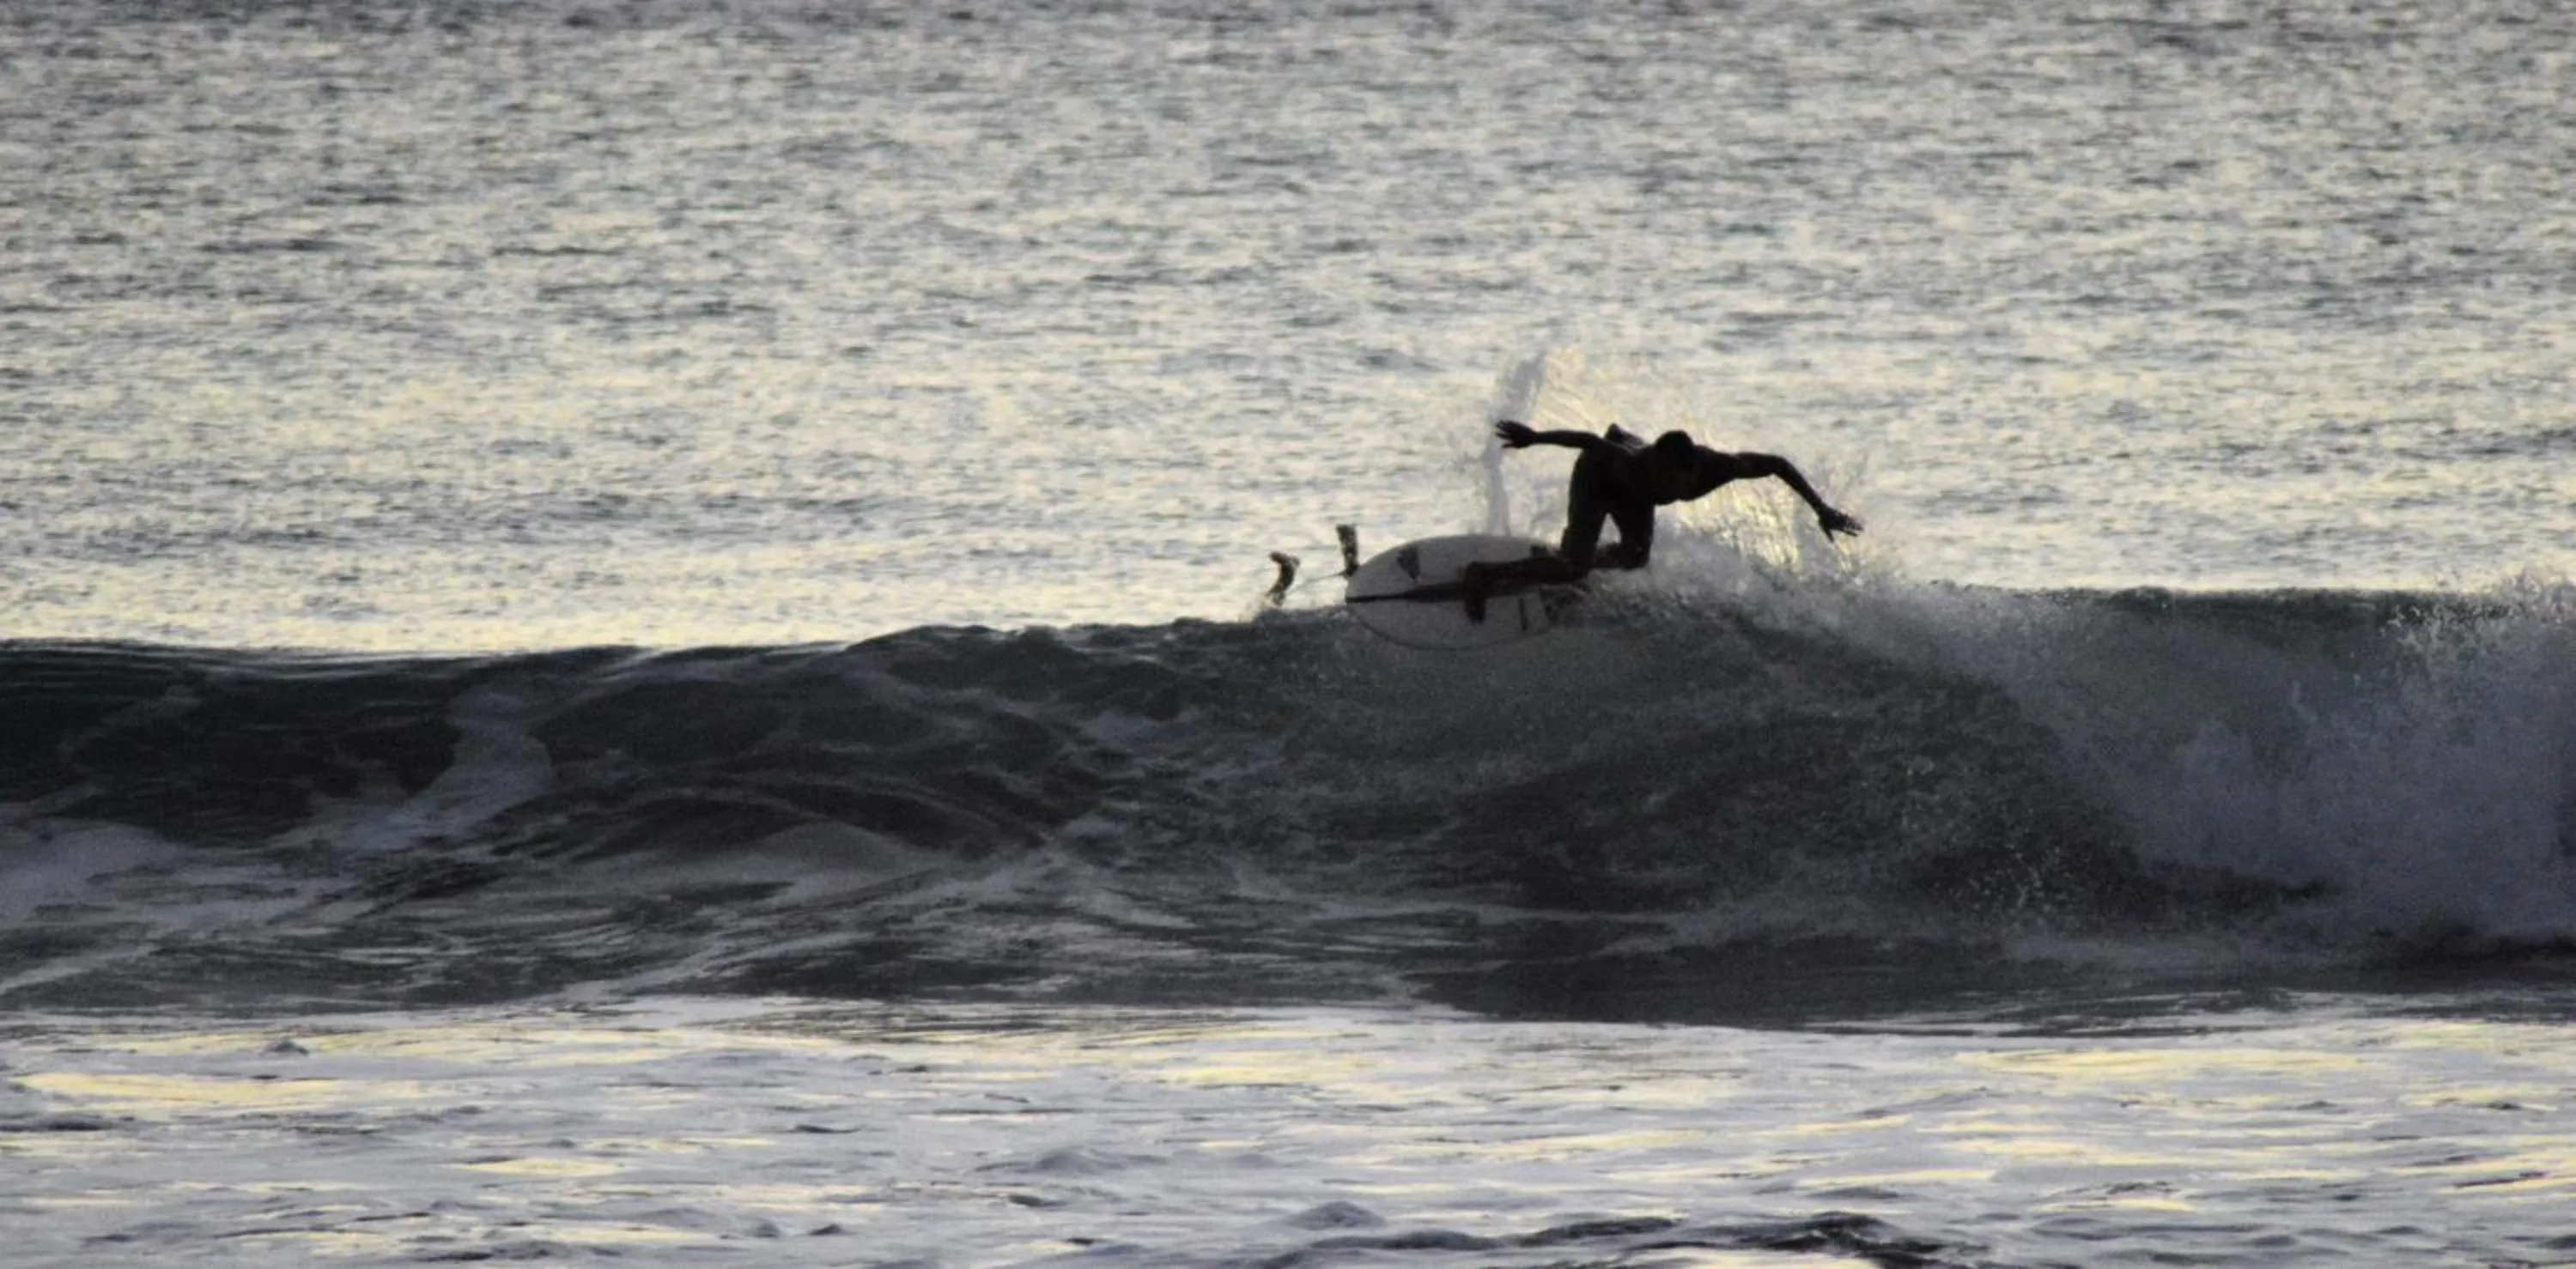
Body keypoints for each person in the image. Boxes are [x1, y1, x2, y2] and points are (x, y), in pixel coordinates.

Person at [1462, 420, 1862, 620]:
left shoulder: (1717, 468)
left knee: (1635, 558)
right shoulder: (1635, 462)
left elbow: (1777, 464)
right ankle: (1484, 575)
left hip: (1633, 498)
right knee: (1574, 567)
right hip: (1598, 477)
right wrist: (1534, 438)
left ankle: (1565, 560)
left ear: (1690, 472)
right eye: (1657, 469)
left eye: (1669, 476)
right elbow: (1587, 441)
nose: (1661, 479)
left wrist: (1820, 509)